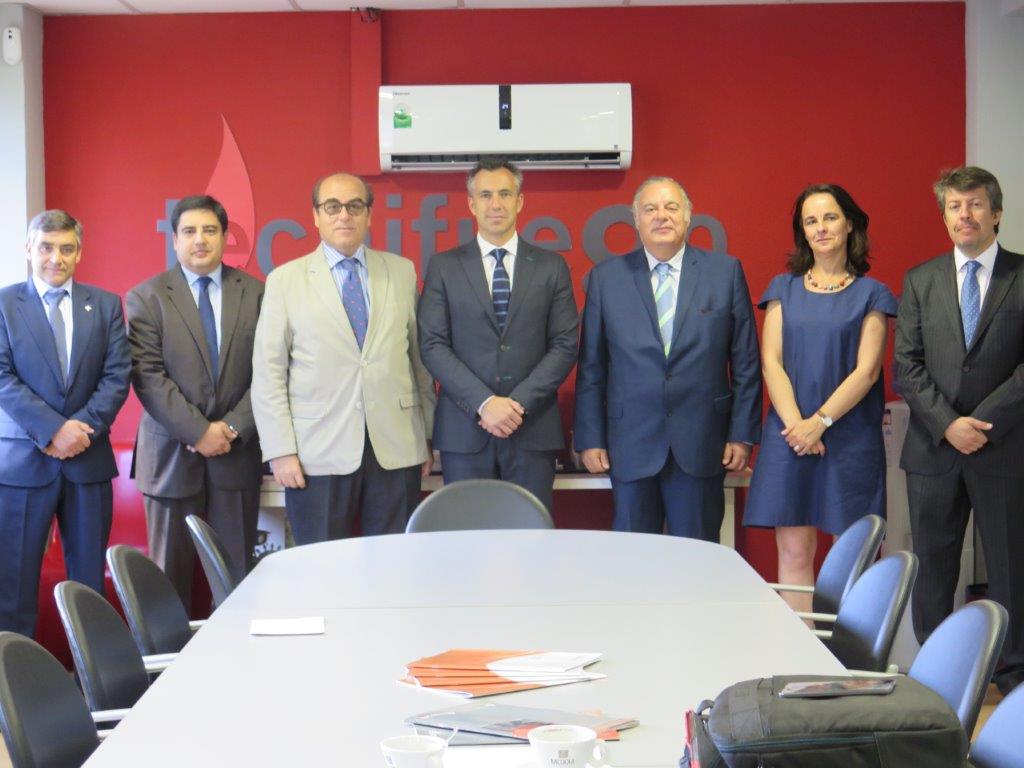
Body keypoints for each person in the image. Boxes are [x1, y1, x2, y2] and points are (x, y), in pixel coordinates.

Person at [895, 166, 1024, 695]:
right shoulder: (919, 279)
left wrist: (983, 425)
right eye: (954, 206)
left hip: (1006, 448)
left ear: (996, 213)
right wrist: (949, 425)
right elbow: (907, 365)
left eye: (974, 204)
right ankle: (935, 678)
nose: (964, 215)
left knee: (1011, 569)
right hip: (934, 449)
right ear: (945, 216)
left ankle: (1012, 680)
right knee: (934, 568)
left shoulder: (1021, 274)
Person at [574, 177, 761, 540]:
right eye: (650, 209)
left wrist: (742, 434)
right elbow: (592, 367)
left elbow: (746, 364)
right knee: (634, 558)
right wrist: (590, 437)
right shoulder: (606, 279)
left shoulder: (724, 273)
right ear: (636, 220)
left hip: (703, 442)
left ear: (688, 216)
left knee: (698, 557)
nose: (662, 216)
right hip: (630, 443)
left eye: (671, 207)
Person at [251, 172, 434, 544]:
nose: (344, 215)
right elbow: (269, 373)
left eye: (354, 206)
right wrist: (280, 450)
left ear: (369, 214)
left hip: (397, 447)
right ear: (316, 216)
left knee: (394, 563)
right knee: (321, 566)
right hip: (316, 453)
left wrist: (426, 437)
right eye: (332, 207)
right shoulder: (285, 281)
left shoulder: (401, 272)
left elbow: (419, 362)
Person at [743, 184, 897, 613]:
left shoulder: (872, 293)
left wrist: (819, 423)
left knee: (852, 557)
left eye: (830, 217)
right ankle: (803, 648)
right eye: (810, 221)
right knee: (793, 552)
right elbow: (771, 362)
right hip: (790, 435)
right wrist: (798, 427)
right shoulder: (782, 288)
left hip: (849, 437)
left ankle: (848, 652)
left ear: (849, 224)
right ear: (802, 232)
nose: (821, 228)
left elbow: (867, 371)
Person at [127, 195, 264, 609]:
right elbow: (148, 376)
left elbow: (270, 373)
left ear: (225, 236)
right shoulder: (147, 297)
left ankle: (233, 653)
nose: (200, 240)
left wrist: (232, 428)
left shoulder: (256, 293)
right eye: (189, 231)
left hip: (236, 456)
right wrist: (199, 432)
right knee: (167, 589)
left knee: (234, 582)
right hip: (170, 459)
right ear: (175, 240)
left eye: (209, 230)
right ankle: (170, 657)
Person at [417, 158, 578, 511]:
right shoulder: (444, 267)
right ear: (471, 204)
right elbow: (432, 345)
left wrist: (517, 404)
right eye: (486, 195)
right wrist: (485, 403)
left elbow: (565, 345)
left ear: (519, 201)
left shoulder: (551, 266)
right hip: (465, 431)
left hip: (532, 428)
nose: (496, 204)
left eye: (505, 194)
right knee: (467, 535)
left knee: (531, 534)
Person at [0, 210, 130, 636]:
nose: (56, 258)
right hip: (22, 465)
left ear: (79, 253)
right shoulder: (5, 303)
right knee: (13, 589)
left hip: (87, 462)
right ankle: (15, 676)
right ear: (29, 249)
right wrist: (54, 430)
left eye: (66, 249)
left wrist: (79, 431)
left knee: (89, 589)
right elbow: (2, 376)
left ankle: (91, 674)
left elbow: (117, 376)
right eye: (46, 247)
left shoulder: (105, 305)